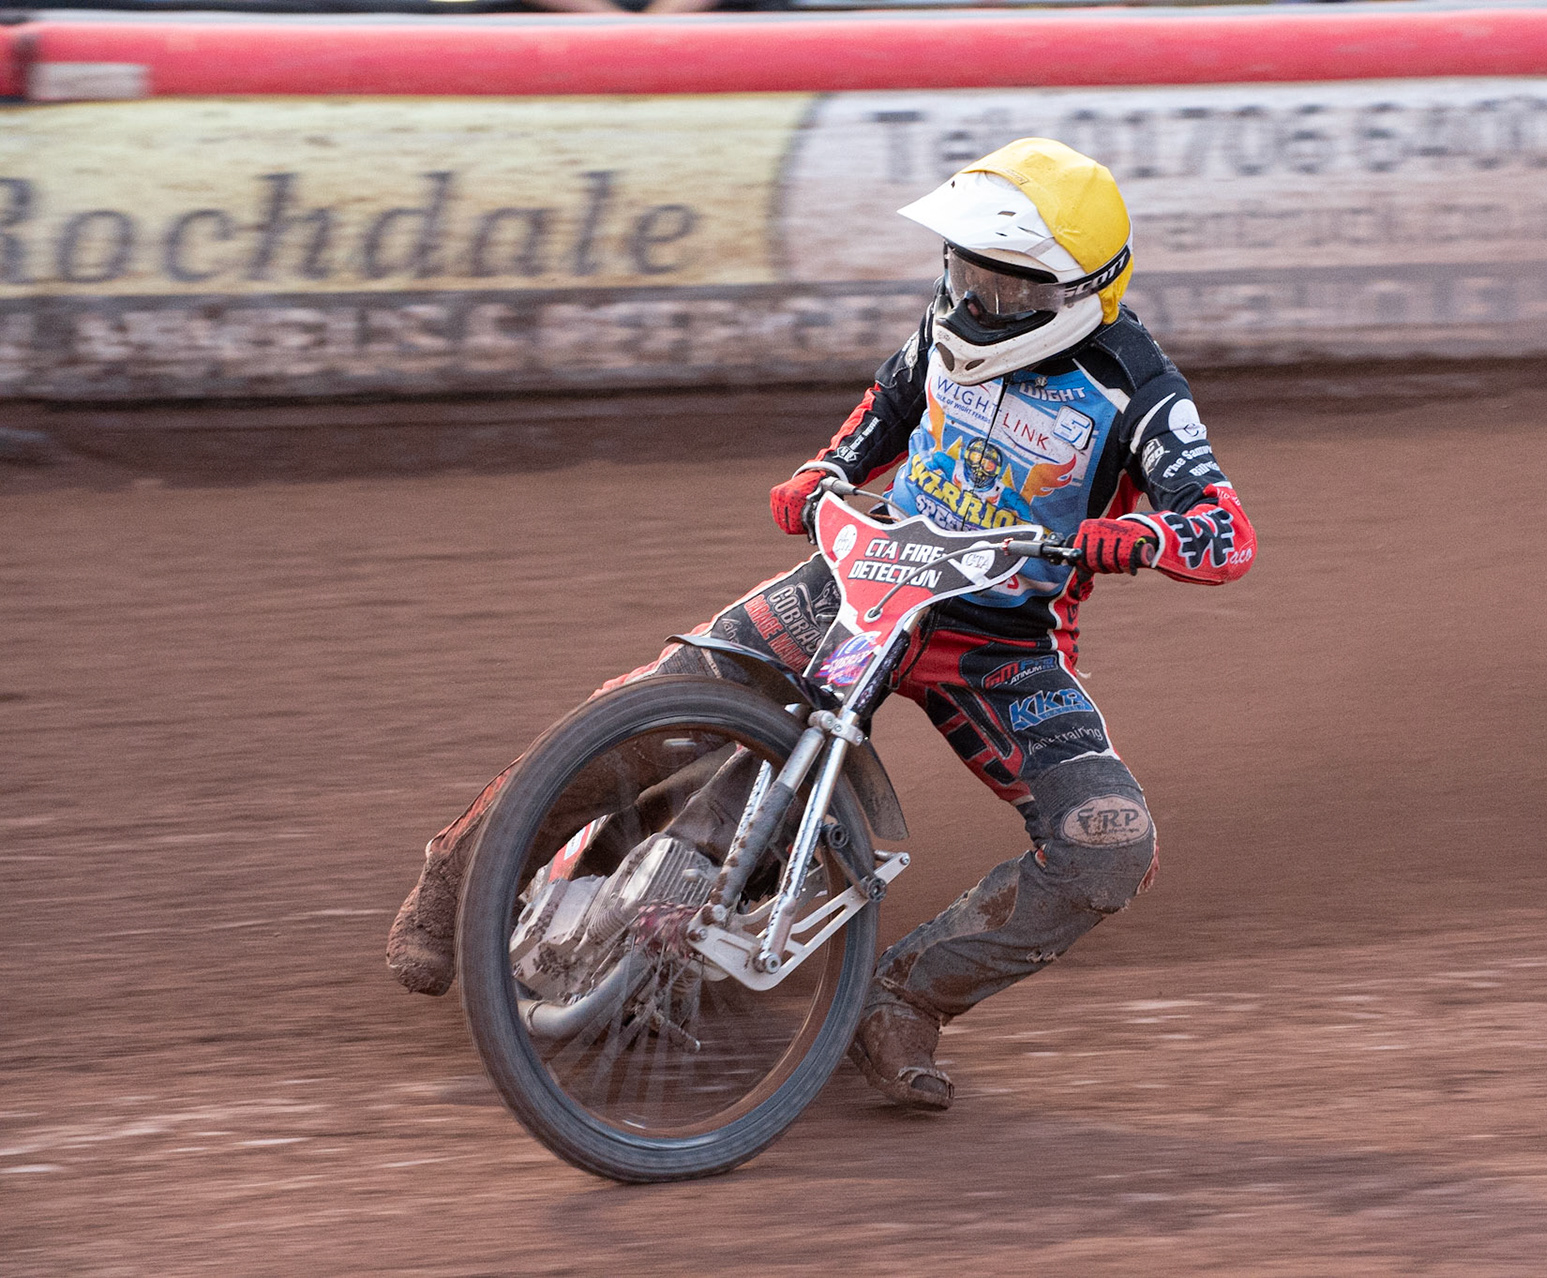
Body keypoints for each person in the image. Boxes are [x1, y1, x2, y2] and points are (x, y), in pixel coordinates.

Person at [386, 137, 1257, 1110]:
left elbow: (1221, 533)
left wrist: (1117, 540)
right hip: (864, 572)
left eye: (1002, 287)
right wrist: (826, 471)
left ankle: (902, 1002)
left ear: (1076, 293)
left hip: (1000, 644)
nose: (974, 300)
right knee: (657, 704)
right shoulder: (951, 322)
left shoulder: (1137, 386)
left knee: (1109, 843)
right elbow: (889, 403)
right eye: (964, 272)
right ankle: (456, 876)